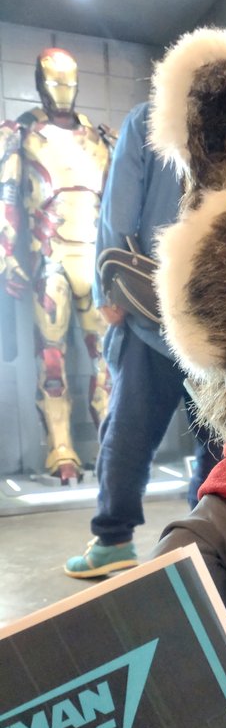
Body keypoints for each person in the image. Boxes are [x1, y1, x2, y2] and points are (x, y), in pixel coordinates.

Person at [64, 102, 222, 578]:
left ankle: (113, 540)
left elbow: (119, 211)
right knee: (218, 437)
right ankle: (210, 540)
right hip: (218, 312)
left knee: (130, 429)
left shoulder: (149, 116)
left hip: (150, 307)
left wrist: (108, 287)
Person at [0, 48, 112, 483]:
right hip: (50, 260)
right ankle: (60, 447)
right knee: (51, 359)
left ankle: (111, 445)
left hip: (95, 260)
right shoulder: (20, 135)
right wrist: (7, 253)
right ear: (40, 83)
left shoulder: (99, 138)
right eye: (55, 82)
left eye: (68, 82)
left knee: (106, 361)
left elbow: (116, 204)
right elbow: (8, 194)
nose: (63, 91)